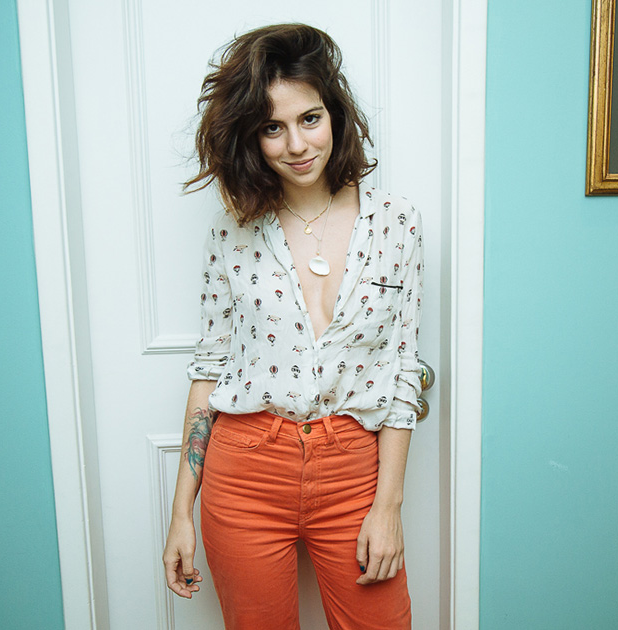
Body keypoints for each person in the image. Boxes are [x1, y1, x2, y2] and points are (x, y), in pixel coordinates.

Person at [163, 23, 423, 630]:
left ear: (335, 114)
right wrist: (180, 513)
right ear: (252, 138)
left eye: (310, 118)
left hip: (352, 470)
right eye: (272, 128)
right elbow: (209, 371)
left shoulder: (396, 223)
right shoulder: (232, 232)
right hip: (245, 471)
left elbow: (402, 370)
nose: (297, 144)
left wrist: (388, 507)